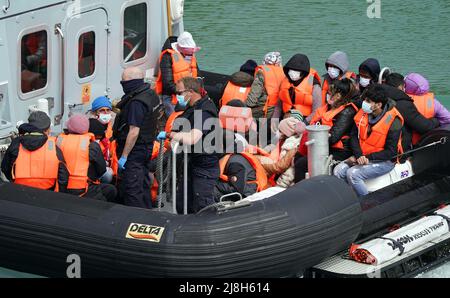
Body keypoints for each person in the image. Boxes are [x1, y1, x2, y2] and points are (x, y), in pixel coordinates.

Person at [160, 76, 219, 214]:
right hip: (191, 162)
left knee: (202, 205)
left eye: (179, 93)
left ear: (191, 92)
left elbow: (193, 137)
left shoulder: (204, 111)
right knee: (182, 202)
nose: (177, 96)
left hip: (204, 167)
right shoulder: (192, 107)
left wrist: (170, 135)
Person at [334, 84, 404, 197]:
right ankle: (348, 200)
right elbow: (353, 136)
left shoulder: (394, 121)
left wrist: (367, 158)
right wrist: (359, 155)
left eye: (368, 101)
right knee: (338, 171)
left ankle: (368, 204)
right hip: (363, 156)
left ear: (378, 105)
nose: (364, 103)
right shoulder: (363, 113)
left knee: (353, 174)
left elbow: (391, 152)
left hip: (384, 161)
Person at [113, 67, 162, 209]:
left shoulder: (136, 102)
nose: (122, 83)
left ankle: (135, 218)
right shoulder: (151, 94)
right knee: (142, 183)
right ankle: (147, 210)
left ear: (131, 82)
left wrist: (124, 156)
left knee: (132, 187)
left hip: (135, 150)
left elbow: (134, 131)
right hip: (147, 146)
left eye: (124, 80)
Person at [294, 78, 358, 182]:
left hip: (339, 151)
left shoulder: (347, 112)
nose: (329, 95)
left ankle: (305, 191)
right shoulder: (329, 107)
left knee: (303, 164)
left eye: (332, 93)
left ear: (340, 96)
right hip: (322, 145)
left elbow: (333, 138)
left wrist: (315, 141)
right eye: (329, 92)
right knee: (298, 159)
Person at [1, 111, 69, 192]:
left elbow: (5, 167)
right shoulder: (53, 147)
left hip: (20, 191)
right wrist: (58, 194)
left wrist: (14, 182)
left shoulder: (16, 143)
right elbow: (63, 175)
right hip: (48, 192)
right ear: (47, 130)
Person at [57, 114, 117, 202]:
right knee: (111, 190)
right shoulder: (92, 145)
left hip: (59, 187)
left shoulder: (58, 141)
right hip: (82, 190)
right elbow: (102, 170)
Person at [382, 72, 440, 150]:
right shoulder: (403, 104)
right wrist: (435, 121)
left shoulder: (375, 95)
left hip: (373, 146)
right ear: (400, 87)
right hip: (394, 152)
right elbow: (425, 127)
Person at [155, 31, 200, 117]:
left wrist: (196, 89)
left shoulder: (189, 55)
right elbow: (167, 83)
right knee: (177, 119)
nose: (190, 53)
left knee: (197, 113)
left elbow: (197, 72)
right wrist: (183, 92)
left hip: (189, 92)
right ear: (181, 48)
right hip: (172, 95)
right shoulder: (168, 57)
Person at [277, 53, 322, 123]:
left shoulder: (314, 85)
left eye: (296, 71)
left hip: (305, 120)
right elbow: (278, 106)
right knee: (264, 127)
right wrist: (274, 120)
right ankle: (261, 133)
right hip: (286, 117)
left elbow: (317, 111)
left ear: (303, 72)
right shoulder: (285, 82)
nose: (292, 73)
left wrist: (305, 123)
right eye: (290, 70)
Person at [403, 73, 450, 140]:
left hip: (407, 142)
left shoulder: (402, 101)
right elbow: (447, 119)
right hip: (426, 139)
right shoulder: (434, 103)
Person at [246, 52, 285, 119]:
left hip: (265, 110)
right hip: (279, 109)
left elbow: (251, 101)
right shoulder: (284, 73)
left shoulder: (261, 73)